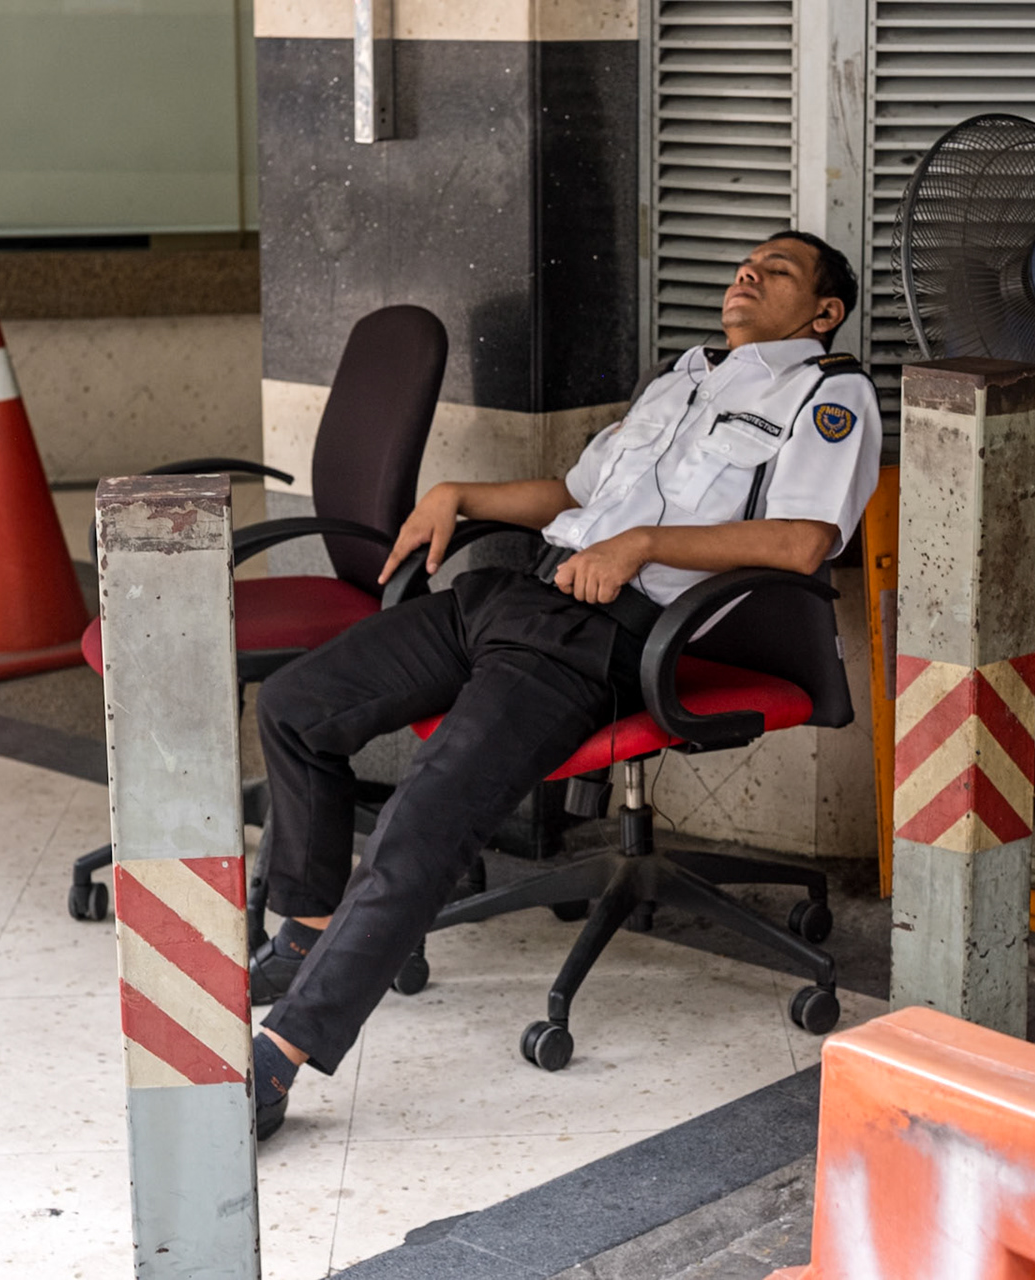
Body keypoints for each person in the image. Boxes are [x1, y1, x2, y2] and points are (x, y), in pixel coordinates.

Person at [248, 230, 882, 1138]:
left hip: (607, 639)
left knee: (423, 819)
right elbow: (571, 495)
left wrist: (646, 547)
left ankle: (282, 1058)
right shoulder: (682, 377)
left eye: (778, 271)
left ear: (825, 313)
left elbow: (801, 543)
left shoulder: (828, 395)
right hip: (515, 595)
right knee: (297, 707)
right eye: (748, 261)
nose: (749, 273)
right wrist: (461, 493)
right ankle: (309, 928)